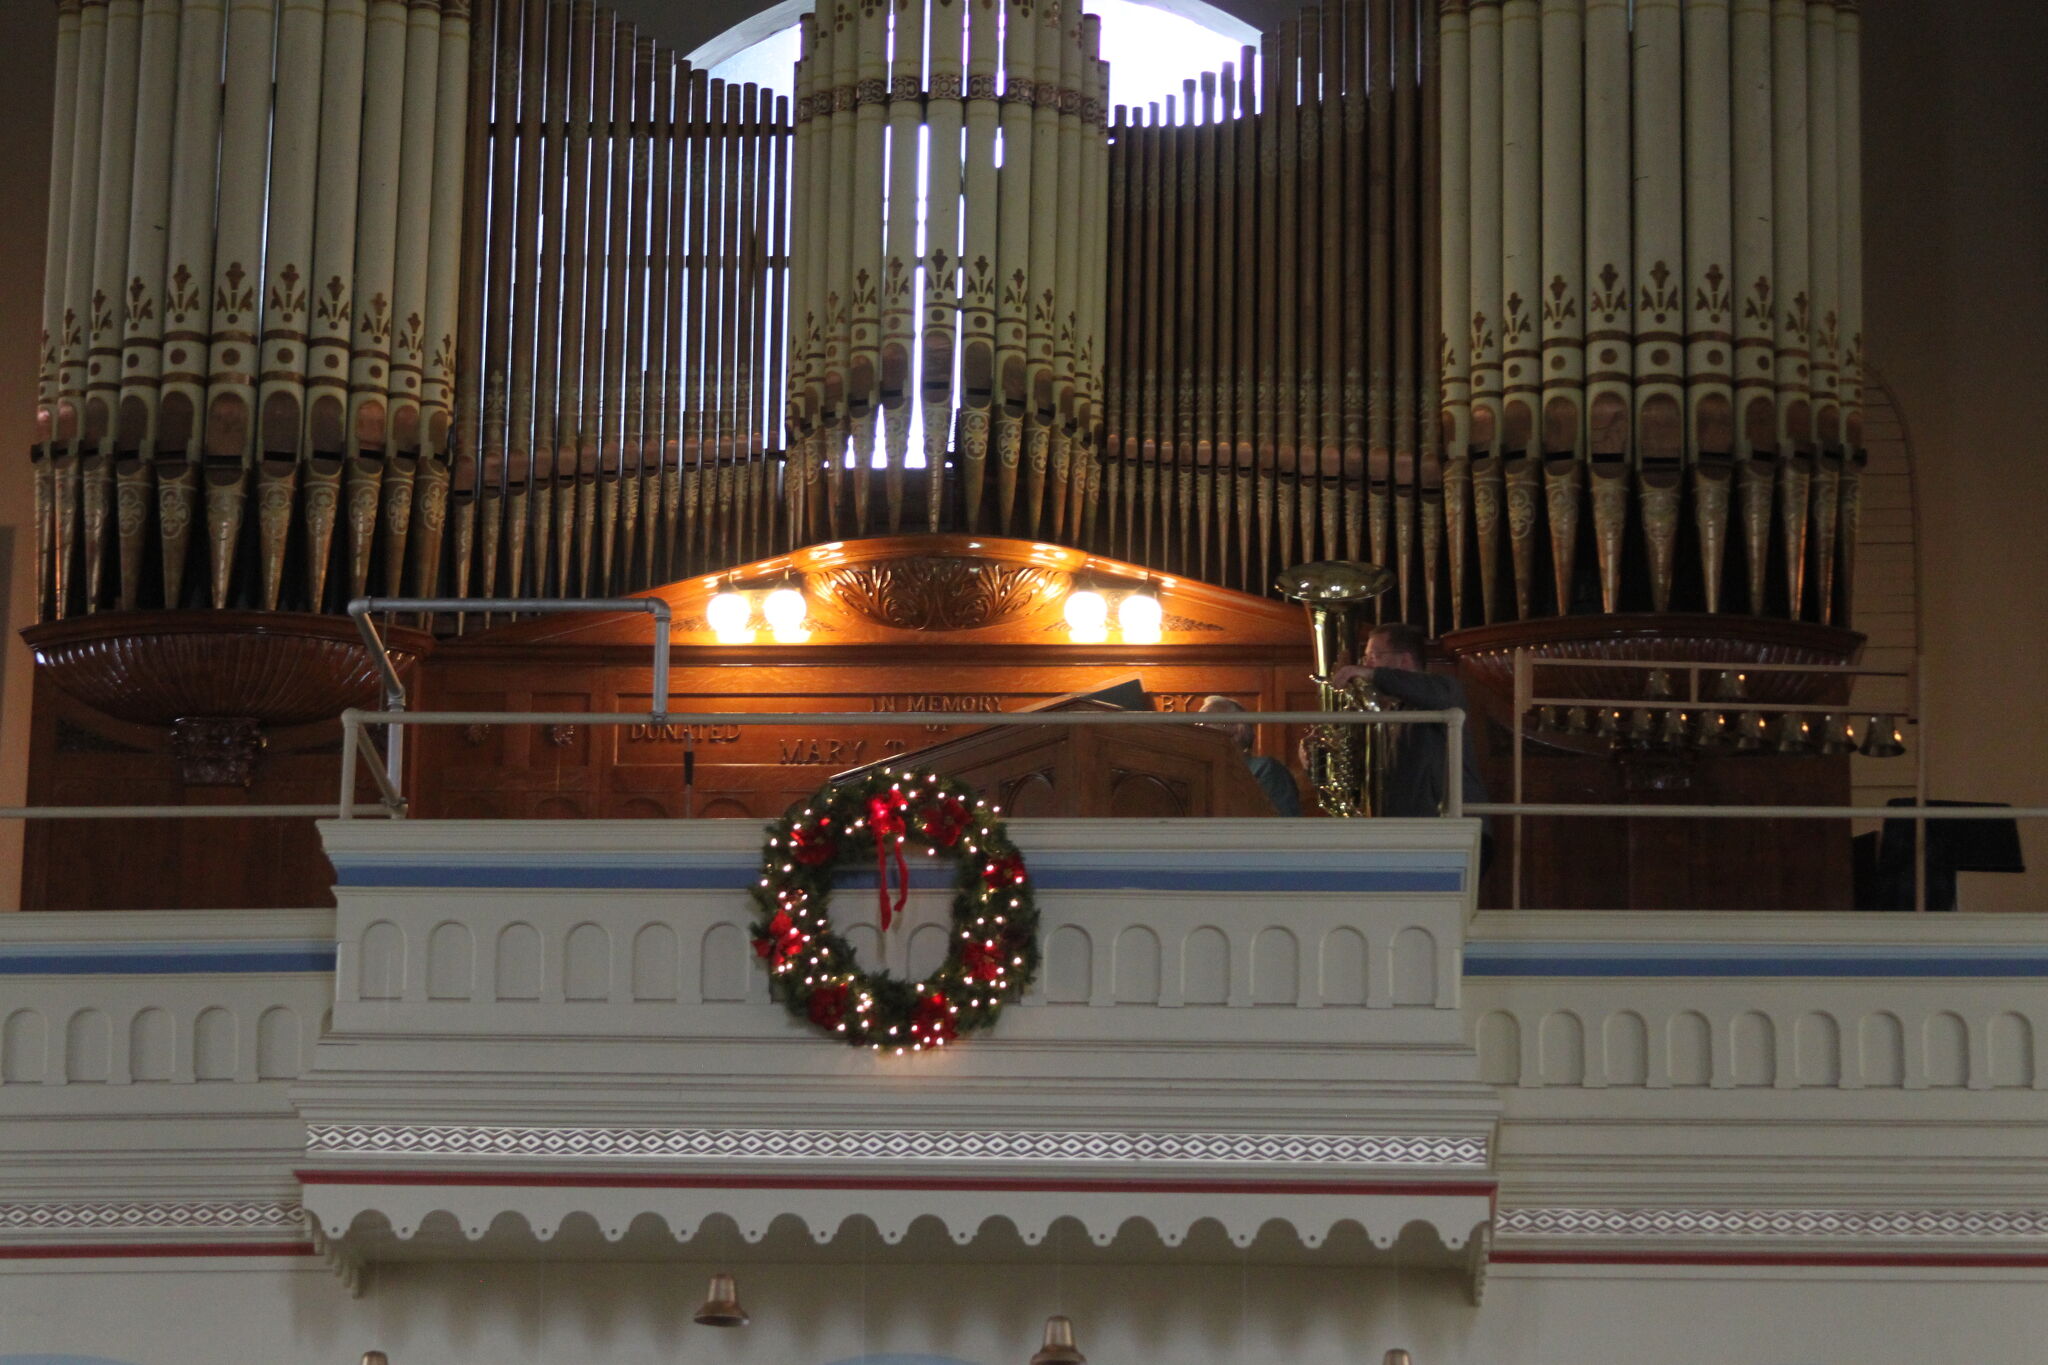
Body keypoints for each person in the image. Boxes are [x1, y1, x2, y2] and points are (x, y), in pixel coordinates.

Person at [1329, 624, 1492, 863]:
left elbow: (1440, 694)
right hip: (1413, 835)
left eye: (1373, 657)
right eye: (1366, 659)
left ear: (1404, 660)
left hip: (1450, 831)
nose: (1366, 665)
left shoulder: (1443, 689)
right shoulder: (1389, 714)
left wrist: (1375, 675)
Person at [1197, 695, 1303, 816]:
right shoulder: (1197, 773)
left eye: (1206, 722)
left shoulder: (1265, 769)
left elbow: (1283, 824)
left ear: (1237, 730)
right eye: (1197, 723)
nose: (1198, 728)